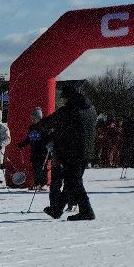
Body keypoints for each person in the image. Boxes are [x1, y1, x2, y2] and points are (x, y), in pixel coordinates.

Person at [39, 82, 96, 221]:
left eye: (63, 98)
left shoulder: (68, 111)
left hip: (71, 152)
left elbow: (46, 124)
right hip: (86, 151)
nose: (62, 101)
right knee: (72, 182)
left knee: (74, 182)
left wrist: (43, 126)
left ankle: (86, 211)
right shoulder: (91, 110)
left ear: (69, 98)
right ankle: (57, 209)